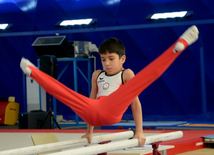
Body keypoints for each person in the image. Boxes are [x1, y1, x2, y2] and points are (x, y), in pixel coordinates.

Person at [20, 25, 199, 147]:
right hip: (93, 110)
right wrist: (89, 132)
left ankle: (177, 48)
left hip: (113, 108)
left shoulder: (126, 74)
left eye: (111, 59)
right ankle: (32, 71)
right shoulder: (96, 75)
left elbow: (135, 104)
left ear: (122, 59)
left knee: (144, 78)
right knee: (64, 93)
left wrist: (139, 132)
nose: (106, 63)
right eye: (103, 59)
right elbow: (90, 101)